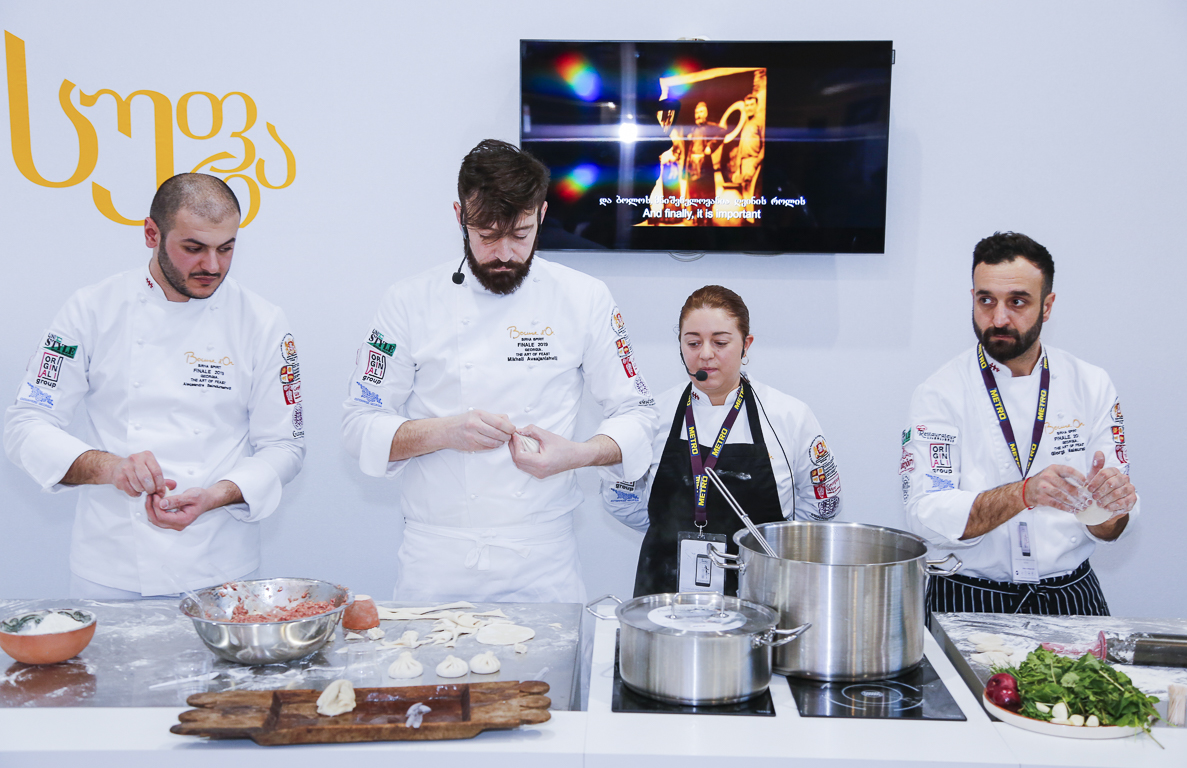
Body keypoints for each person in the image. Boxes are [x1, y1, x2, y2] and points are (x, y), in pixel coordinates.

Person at [341, 139, 657, 603]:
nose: (505, 253)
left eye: (521, 234)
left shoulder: (584, 297)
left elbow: (639, 414)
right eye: (488, 235)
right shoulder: (408, 302)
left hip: (543, 561)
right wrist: (445, 432)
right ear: (459, 216)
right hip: (436, 560)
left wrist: (578, 454)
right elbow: (358, 425)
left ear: (542, 215)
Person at [4, 173, 305, 598]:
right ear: (151, 234)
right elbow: (26, 424)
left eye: (226, 248)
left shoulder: (262, 321)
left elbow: (285, 446)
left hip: (222, 568)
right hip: (109, 569)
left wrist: (217, 495)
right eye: (193, 248)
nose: (212, 266)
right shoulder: (91, 310)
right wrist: (111, 468)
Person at [901, 232, 1136, 616]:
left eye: (1017, 302)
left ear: (1047, 306)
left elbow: (1110, 528)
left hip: (1070, 593)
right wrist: (1024, 493)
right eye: (986, 300)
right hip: (968, 595)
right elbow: (926, 515)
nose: (999, 318)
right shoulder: (939, 392)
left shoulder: (1091, 384)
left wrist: (1110, 507)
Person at [603, 285, 842, 597]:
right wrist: (667, 533)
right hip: (664, 596)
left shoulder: (789, 416)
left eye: (720, 342)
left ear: (746, 345)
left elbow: (822, 505)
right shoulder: (651, 417)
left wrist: (775, 554)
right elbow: (620, 498)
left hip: (760, 595)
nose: (705, 354)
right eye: (693, 342)